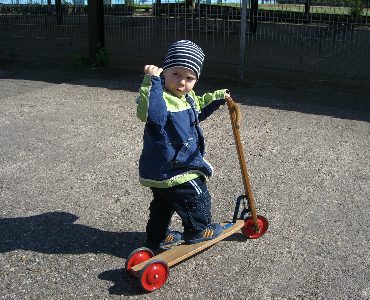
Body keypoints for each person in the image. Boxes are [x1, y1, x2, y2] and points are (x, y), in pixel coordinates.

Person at [136, 40, 230, 250]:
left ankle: (157, 236)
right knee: (197, 195)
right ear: (164, 72)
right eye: (176, 74)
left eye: (189, 78)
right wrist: (152, 82)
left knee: (163, 204)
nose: (181, 82)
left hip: (165, 169)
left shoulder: (187, 98)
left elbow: (197, 111)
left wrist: (217, 98)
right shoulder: (159, 98)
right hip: (174, 167)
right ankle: (198, 229)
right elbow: (152, 114)